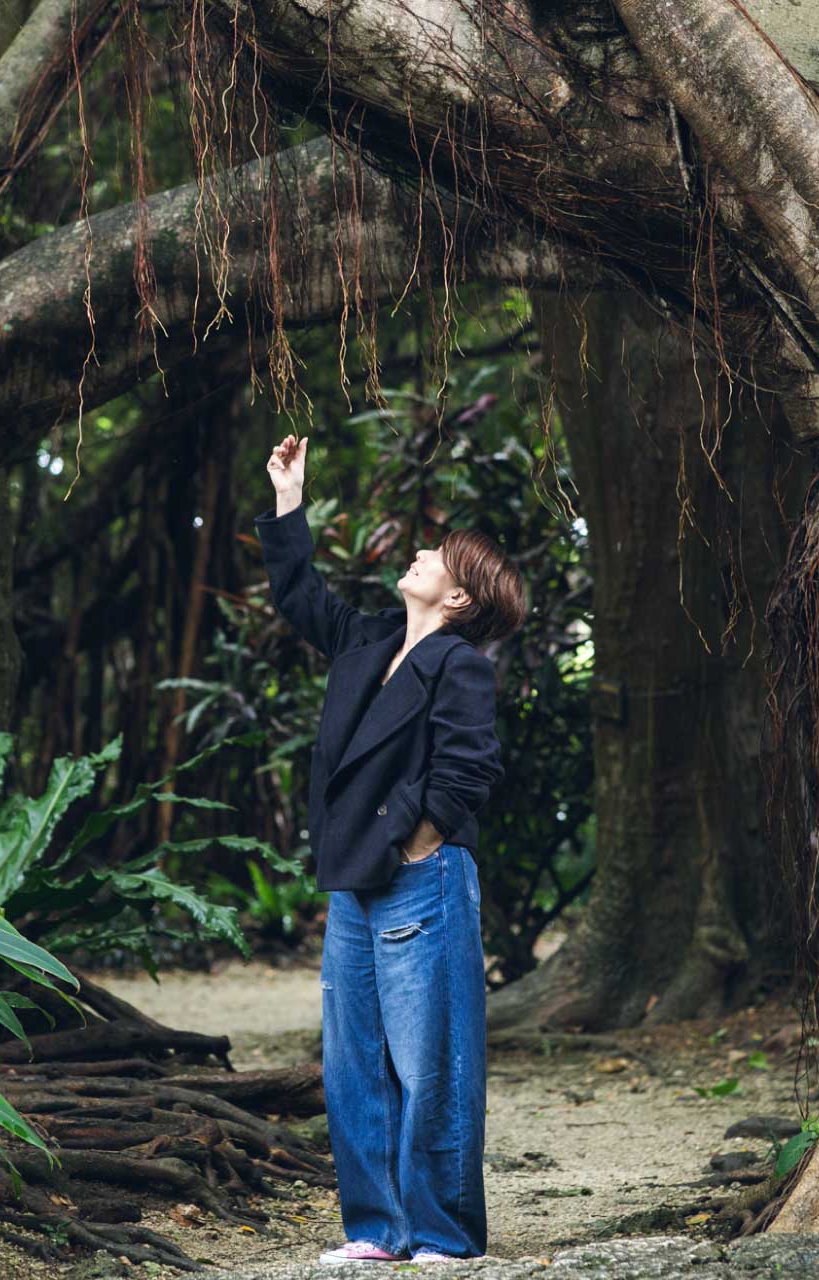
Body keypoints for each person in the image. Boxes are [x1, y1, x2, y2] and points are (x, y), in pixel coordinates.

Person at [254, 431, 524, 1266]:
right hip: (353, 883)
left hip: (420, 879)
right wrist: (289, 497)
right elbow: (300, 593)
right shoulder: (370, 643)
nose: (419, 554)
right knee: (354, 1066)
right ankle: (377, 1231)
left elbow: (468, 769)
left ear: (458, 601)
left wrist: (417, 845)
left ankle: (441, 1233)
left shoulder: (458, 666)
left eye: (438, 557)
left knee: (430, 1062)